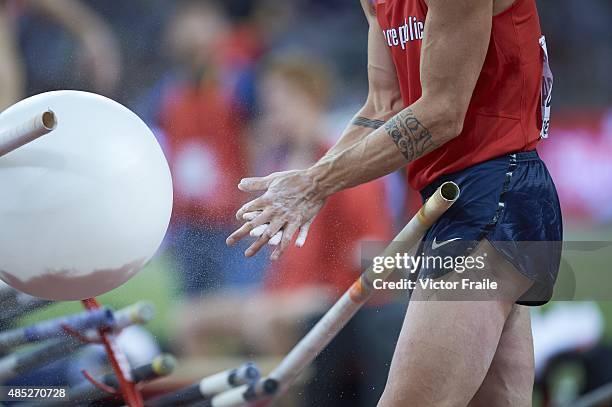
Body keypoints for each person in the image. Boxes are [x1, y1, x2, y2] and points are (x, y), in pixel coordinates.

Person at [227, 0, 563, 406]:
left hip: (494, 196)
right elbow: (382, 108)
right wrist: (309, 181)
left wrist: (315, 182)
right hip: (460, 200)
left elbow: (442, 112)